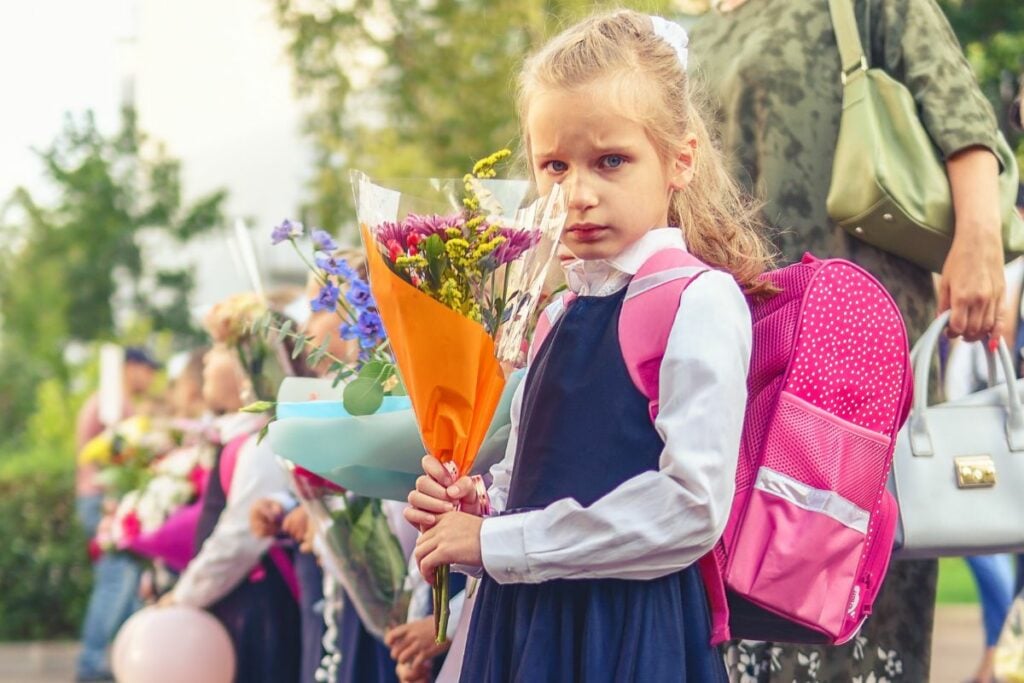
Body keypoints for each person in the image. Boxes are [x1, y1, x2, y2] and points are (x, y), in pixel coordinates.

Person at [406, 10, 768, 681]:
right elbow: (532, 481)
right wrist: (474, 506)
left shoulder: (696, 300)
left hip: (624, 634)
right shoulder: (557, 311)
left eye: (610, 161)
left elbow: (690, 509)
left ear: (680, 159)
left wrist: (500, 540)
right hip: (527, 627)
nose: (577, 194)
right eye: (554, 166)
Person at [690, 1, 1011, 679]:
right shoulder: (689, 27)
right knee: (737, 614)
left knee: (849, 604)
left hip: (851, 362)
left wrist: (979, 241)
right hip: (737, 359)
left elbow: (961, 113)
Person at [160, 342, 300, 683]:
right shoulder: (240, 437)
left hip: (257, 610)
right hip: (236, 600)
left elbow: (240, 538)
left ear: (245, 368)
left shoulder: (261, 444)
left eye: (220, 348)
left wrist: (184, 595)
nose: (205, 357)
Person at [75, 346, 159, 682]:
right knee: (115, 582)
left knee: (125, 585)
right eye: (148, 369)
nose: (151, 377)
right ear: (131, 368)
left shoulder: (111, 400)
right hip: (105, 501)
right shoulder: (111, 404)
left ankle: (126, 657)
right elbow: (114, 458)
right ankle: (91, 664)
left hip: (103, 500)